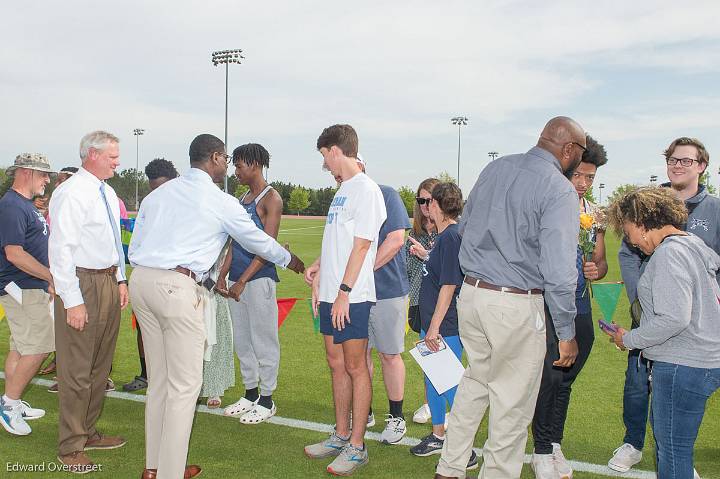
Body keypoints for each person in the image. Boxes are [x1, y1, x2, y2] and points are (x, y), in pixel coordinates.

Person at [128, 134, 304, 479]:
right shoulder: (219, 199)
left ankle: (154, 466)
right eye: (226, 159)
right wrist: (293, 261)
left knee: (161, 383)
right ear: (215, 158)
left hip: (142, 281)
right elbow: (257, 241)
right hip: (175, 288)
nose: (228, 165)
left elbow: (138, 241)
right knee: (184, 387)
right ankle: (169, 472)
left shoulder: (160, 193)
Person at [435, 116, 585, 479]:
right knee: (512, 404)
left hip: (472, 294)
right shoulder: (559, 188)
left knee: (475, 385)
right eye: (580, 152)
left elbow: (465, 229)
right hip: (515, 301)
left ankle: (450, 469)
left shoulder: (496, 167)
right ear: (568, 150)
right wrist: (566, 331)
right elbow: (560, 269)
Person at [610, 137, 720, 474]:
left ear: (643, 223)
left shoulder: (669, 254)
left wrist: (628, 339)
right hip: (700, 360)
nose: (630, 240)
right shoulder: (690, 246)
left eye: (628, 231)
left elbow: (673, 318)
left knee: (672, 456)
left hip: (682, 363)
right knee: (676, 451)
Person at [303, 124, 386, 476]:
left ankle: (357, 445)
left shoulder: (366, 190)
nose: (325, 165)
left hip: (351, 296)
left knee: (355, 366)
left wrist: (343, 294)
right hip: (331, 294)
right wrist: (321, 271)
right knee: (335, 363)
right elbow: (339, 243)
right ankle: (340, 435)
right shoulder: (343, 190)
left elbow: (363, 245)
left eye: (325, 156)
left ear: (337, 150)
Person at [49, 131, 130, 472]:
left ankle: (88, 431)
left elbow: (113, 239)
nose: (118, 161)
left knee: (99, 366)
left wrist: (121, 279)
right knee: (77, 368)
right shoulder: (71, 193)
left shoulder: (107, 192)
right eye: (112, 156)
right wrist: (73, 301)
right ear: (92, 155)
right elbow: (60, 250)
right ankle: (70, 446)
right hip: (81, 282)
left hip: (108, 280)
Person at [530, 135, 609, 479]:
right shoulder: (548, 201)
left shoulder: (594, 214)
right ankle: (541, 449)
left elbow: (601, 262)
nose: (583, 183)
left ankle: (554, 442)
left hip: (580, 304)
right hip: (548, 304)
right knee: (549, 375)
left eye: (590, 178)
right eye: (578, 175)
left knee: (566, 378)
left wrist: (596, 268)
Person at [406, 182, 478, 468]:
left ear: (437, 205)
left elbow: (449, 285)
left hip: (444, 325)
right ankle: (438, 435)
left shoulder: (450, 237)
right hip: (434, 322)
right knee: (434, 380)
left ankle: (466, 449)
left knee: (449, 384)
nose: (425, 208)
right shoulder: (445, 235)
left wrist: (434, 327)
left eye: (428, 203)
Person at [218, 143, 284, 422]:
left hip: (259, 280)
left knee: (264, 340)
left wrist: (243, 280)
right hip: (237, 280)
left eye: (240, 166)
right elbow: (235, 242)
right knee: (243, 340)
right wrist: (223, 274)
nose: (236, 171)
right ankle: (250, 392)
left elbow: (267, 247)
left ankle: (267, 400)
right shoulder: (241, 198)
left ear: (255, 165)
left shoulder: (272, 199)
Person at [357, 155, 412, 445]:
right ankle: (363, 410)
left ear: (362, 167)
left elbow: (396, 241)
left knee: (389, 354)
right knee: (359, 355)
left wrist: (359, 273)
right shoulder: (346, 200)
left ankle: (396, 416)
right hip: (355, 293)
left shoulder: (386, 194)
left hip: (387, 290)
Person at [0, 153, 55, 436]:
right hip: (22, 287)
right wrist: (50, 276)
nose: (47, 179)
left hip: (26, 287)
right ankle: (8, 405)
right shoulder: (12, 205)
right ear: (24, 172)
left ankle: (13, 400)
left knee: (21, 347)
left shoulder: (23, 205)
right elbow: (14, 253)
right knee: (40, 346)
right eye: (42, 173)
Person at [121, 158, 179, 393]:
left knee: (175, 332)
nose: (158, 193)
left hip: (176, 281)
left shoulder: (185, 203)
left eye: (162, 187)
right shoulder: (149, 203)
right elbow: (136, 243)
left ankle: (175, 379)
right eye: (153, 188)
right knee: (144, 329)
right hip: (147, 277)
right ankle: (146, 374)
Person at [38, 166, 78, 378]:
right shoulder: (55, 203)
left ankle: (86, 374)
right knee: (58, 324)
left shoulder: (73, 203)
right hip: (53, 272)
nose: (56, 183)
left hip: (70, 275)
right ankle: (61, 364)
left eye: (61, 180)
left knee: (75, 326)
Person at [405, 177, 438, 424]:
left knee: (449, 357)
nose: (425, 205)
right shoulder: (413, 234)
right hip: (419, 301)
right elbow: (406, 272)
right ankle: (430, 404)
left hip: (447, 304)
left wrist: (427, 255)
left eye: (430, 199)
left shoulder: (450, 231)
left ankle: (449, 406)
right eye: (421, 200)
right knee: (430, 356)